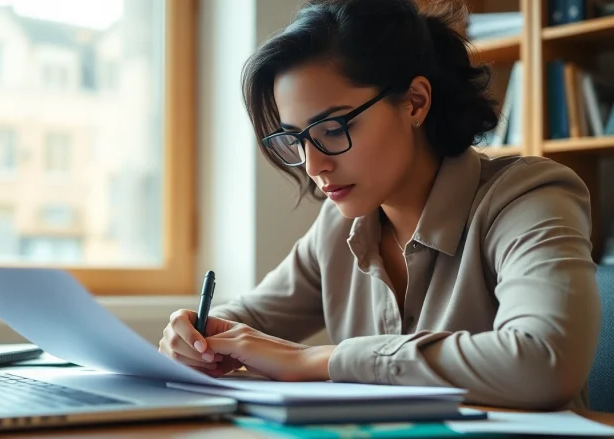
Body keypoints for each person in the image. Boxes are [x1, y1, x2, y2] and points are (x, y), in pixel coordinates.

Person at [158, 0, 602, 410]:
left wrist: (322, 361)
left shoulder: (528, 198)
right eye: (295, 139)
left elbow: (546, 360)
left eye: (332, 128)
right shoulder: (338, 227)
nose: (313, 165)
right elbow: (247, 322)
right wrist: (195, 337)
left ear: (415, 102)